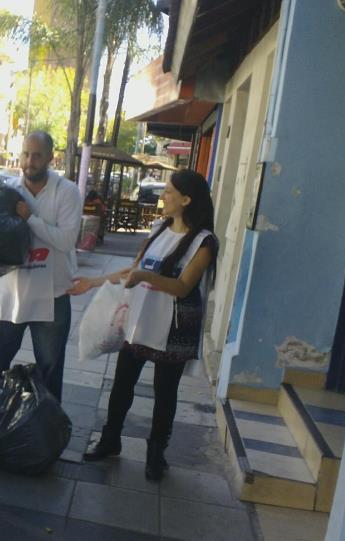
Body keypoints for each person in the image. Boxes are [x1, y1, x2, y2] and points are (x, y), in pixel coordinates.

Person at [69, 169, 217, 481]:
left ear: (187, 200)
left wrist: (146, 277)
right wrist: (94, 282)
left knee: (165, 392)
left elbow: (183, 287)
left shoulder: (205, 242)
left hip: (175, 324)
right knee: (122, 382)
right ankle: (110, 440)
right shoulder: (159, 228)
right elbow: (133, 270)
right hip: (142, 316)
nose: (163, 196)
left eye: (169, 192)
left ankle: (156, 454)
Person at [0, 131, 81, 401]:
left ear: (50, 158)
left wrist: (30, 217)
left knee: (50, 374)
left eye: (37, 155)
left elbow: (66, 241)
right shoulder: (7, 191)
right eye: (25, 154)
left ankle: (47, 435)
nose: (29, 161)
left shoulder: (66, 192)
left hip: (53, 297)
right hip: (11, 295)